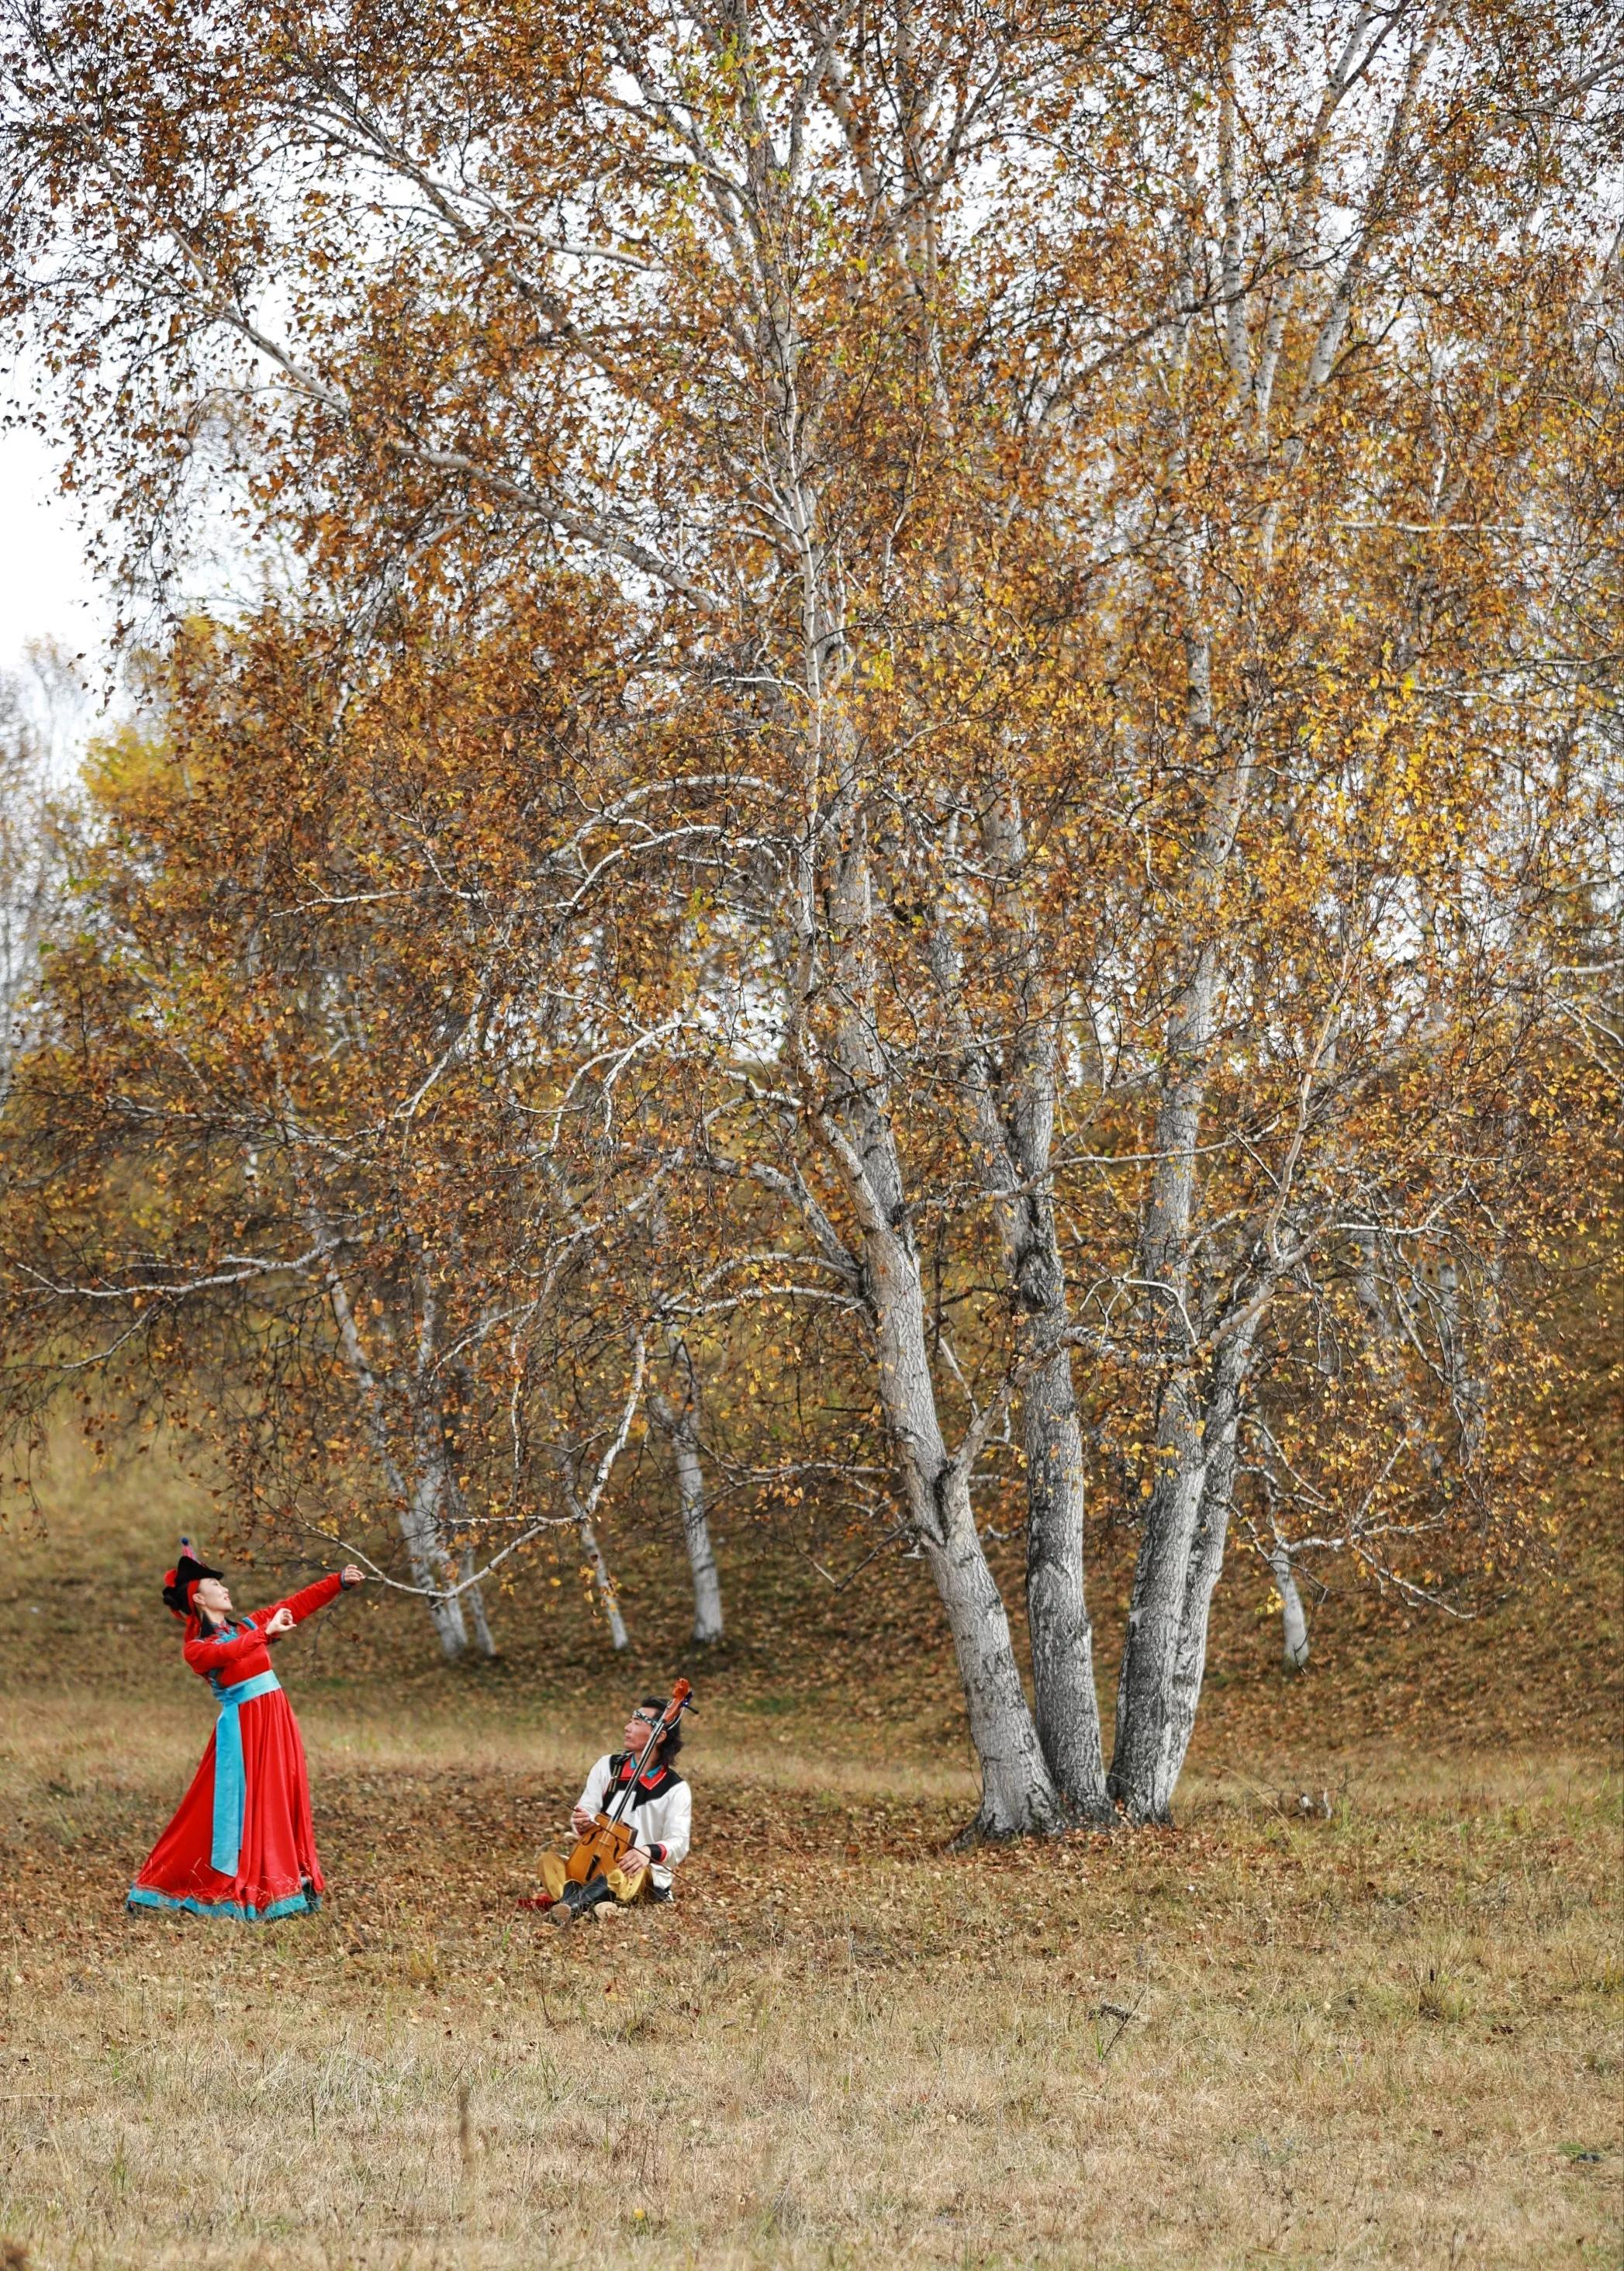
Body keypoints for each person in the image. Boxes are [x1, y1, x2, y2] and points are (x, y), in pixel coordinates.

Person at [126, 1538, 365, 1921]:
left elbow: (296, 1604)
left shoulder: (248, 1626)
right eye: (214, 1587)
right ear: (200, 1601)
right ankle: (177, 1882)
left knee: (282, 1796)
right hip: (245, 1731)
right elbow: (229, 1653)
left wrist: (338, 1582)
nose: (224, 1589)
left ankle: (287, 1881)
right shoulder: (198, 1648)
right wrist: (266, 1634)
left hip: (276, 1721)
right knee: (241, 1807)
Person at [528, 1697, 692, 1924]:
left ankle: (570, 1905)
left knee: (621, 1875)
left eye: (637, 1723)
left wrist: (646, 1851)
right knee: (548, 1861)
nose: (627, 1727)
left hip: (633, 1872)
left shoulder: (676, 1788)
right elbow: (587, 1807)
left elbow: (679, 1842)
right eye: (630, 1721)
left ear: (660, 1735)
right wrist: (582, 1820)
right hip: (593, 1860)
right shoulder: (607, 1766)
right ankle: (593, 1905)